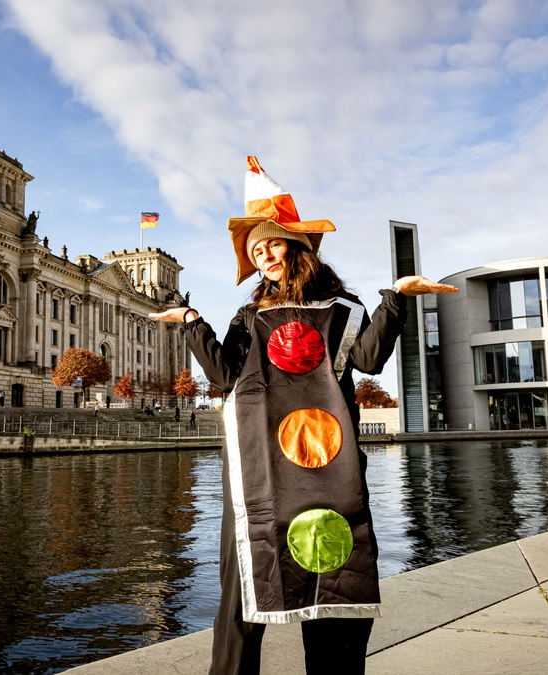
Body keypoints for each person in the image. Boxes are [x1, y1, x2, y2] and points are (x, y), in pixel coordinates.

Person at [150, 156, 457, 675]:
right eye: (255, 249)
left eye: (270, 243)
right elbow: (225, 378)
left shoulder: (343, 307)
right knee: (245, 581)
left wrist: (396, 299)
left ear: (294, 245)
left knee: (332, 568)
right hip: (257, 465)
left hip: (323, 463)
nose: (263, 254)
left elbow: (368, 360)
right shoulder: (248, 316)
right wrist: (192, 323)